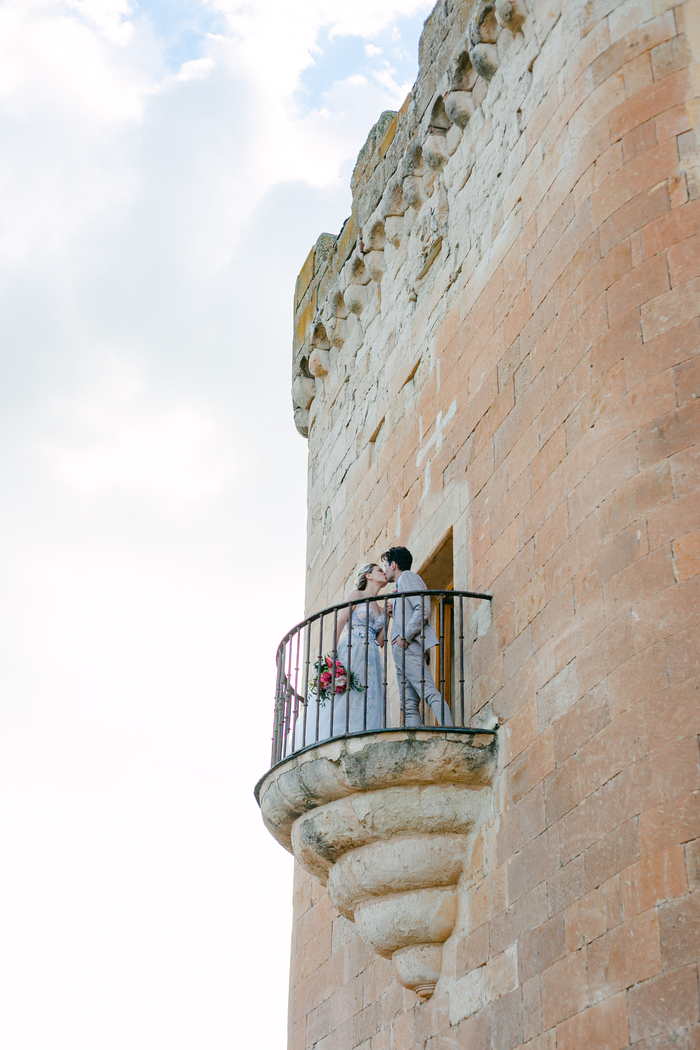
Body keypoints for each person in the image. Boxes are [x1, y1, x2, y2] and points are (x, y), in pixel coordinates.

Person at [288, 563, 388, 750]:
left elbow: (380, 642)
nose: (383, 572)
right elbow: (340, 621)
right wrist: (333, 655)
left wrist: (388, 618)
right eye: (379, 570)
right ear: (368, 576)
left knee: (368, 693)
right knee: (349, 690)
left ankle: (365, 730)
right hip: (353, 649)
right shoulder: (356, 595)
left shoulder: (381, 609)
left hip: (371, 655)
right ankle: (341, 732)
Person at [381, 546, 453, 728]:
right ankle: (416, 739)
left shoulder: (407, 577)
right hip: (401, 649)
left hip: (408, 646)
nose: (385, 570)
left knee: (428, 692)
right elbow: (410, 611)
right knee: (408, 703)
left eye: (386, 566)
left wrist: (404, 638)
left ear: (394, 564)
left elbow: (423, 608)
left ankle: (450, 731)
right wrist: (394, 613)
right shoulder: (401, 585)